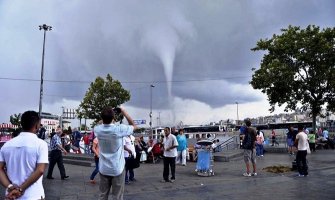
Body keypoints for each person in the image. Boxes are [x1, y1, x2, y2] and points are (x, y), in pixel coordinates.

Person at [0, 111, 49, 199]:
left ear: (22, 124)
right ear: (37, 125)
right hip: (33, 195)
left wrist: (10, 187)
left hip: (11, 195)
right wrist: (20, 190)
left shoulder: (7, 145)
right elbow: (40, 170)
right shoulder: (41, 144)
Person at [94, 107, 137, 200]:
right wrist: (123, 112)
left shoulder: (97, 130)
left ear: (102, 118)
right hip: (117, 169)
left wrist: (108, 115)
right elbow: (134, 126)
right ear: (113, 118)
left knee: (102, 195)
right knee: (117, 196)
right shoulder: (119, 129)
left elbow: (100, 123)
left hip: (103, 168)